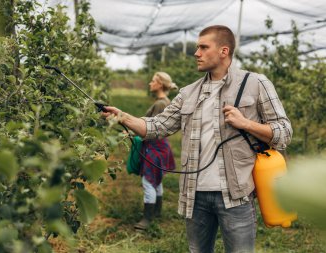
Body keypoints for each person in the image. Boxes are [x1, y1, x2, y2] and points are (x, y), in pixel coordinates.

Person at [103, 25, 292, 252]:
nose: (196, 53)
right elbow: (158, 126)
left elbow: (284, 132)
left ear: (224, 51)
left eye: (203, 47)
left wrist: (246, 123)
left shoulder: (255, 84)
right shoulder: (188, 92)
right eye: (196, 47)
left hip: (236, 194)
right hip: (196, 195)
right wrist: (122, 117)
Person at [133, 72, 177, 230]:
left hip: (155, 147)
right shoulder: (164, 101)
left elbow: (153, 128)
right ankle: (156, 212)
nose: (150, 83)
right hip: (160, 146)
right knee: (156, 180)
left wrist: (134, 132)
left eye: (153, 81)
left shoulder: (160, 104)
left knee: (148, 182)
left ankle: (147, 218)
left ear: (160, 84)